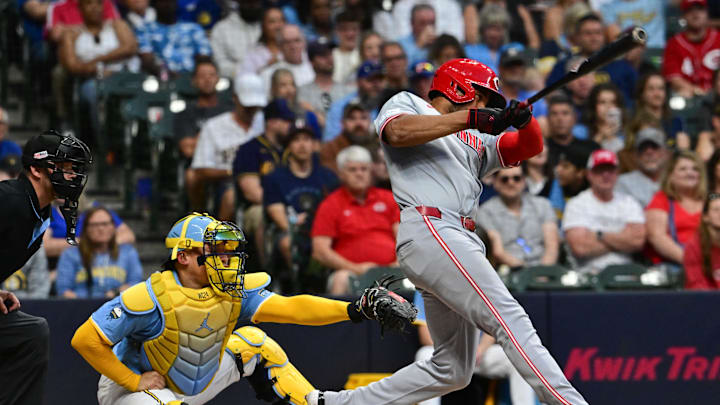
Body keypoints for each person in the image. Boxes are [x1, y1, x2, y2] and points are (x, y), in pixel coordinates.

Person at [306, 58, 588, 405]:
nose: (486, 109)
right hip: (432, 225)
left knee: (452, 369)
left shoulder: (476, 139)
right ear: (459, 88)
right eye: (483, 99)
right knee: (509, 317)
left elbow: (527, 148)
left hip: (457, 237)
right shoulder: (409, 103)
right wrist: (471, 117)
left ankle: (335, 404)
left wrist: (525, 121)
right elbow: (397, 132)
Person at [70, 213, 396, 405]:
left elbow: (292, 307)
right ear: (183, 256)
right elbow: (85, 339)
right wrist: (133, 380)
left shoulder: (232, 291)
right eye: (214, 250)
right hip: (135, 392)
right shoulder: (148, 297)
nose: (224, 259)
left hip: (191, 384)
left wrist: (355, 309)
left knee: (255, 342)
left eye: (227, 250)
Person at [0, 131, 91, 405]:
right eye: (63, 168)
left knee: (31, 332)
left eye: (74, 169)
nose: (72, 176)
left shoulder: (41, 214)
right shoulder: (9, 199)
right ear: (35, 170)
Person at [412, 291, 536, 405]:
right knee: (424, 355)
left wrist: (479, 349)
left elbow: (493, 328)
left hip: (477, 354)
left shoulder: (478, 279)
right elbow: (425, 336)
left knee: (519, 356)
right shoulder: (426, 284)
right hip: (445, 354)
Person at [311, 146, 400, 294]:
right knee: (341, 279)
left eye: (364, 169)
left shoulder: (388, 198)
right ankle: (338, 318)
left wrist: (397, 264)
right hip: (352, 272)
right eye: (352, 170)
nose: (359, 174)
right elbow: (320, 251)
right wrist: (355, 268)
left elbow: (403, 237)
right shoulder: (330, 204)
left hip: (393, 270)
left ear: (371, 172)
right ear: (341, 174)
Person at [58, 0, 138, 144]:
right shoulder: (72, 33)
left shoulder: (117, 25)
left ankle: (137, 140)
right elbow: (72, 65)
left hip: (122, 77)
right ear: (80, 8)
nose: (94, 8)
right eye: (89, 4)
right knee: (93, 92)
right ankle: (103, 143)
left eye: (98, 3)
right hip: (91, 80)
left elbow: (130, 47)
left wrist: (97, 60)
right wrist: (98, 69)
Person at [188, 73, 265, 220]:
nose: (251, 110)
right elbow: (201, 169)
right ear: (235, 98)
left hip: (263, 180)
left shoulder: (266, 124)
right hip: (227, 183)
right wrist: (237, 172)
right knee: (230, 197)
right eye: (247, 105)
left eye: (255, 106)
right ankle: (219, 240)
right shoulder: (214, 126)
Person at [263, 126, 339, 269]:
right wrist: (296, 225)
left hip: (325, 229)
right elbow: (277, 214)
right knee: (288, 243)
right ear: (289, 146)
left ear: (315, 145)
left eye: (307, 139)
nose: (302, 145)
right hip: (293, 230)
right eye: (296, 140)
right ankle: (298, 285)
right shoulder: (275, 178)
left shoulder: (328, 177)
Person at [562, 149, 646, 275]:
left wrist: (599, 235)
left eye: (610, 170)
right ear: (589, 174)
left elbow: (637, 241)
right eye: (600, 170)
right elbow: (580, 248)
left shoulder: (629, 202)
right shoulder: (576, 204)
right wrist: (622, 238)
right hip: (588, 274)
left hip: (627, 273)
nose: (606, 175)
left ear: (617, 173)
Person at [233, 99, 294, 264]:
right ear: (272, 122)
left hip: (295, 202)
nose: (291, 126)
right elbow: (251, 192)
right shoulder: (249, 149)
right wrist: (280, 206)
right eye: (287, 121)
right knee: (261, 215)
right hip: (259, 205)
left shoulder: (295, 148)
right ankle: (267, 271)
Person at [477, 166, 559, 269]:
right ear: (495, 183)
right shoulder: (485, 211)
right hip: (509, 271)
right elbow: (498, 252)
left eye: (516, 178)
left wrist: (544, 272)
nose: (511, 183)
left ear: (524, 181)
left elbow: (552, 245)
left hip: (545, 269)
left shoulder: (543, 205)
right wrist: (527, 274)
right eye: (504, 179)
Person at [56, 206, 144, 299]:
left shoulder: (128, 252)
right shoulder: (70, 254)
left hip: (118, 306)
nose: (101, 228)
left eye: (105, 224)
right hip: (80, 307)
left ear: (114, 227)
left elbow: (136, 284)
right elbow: (63, 291)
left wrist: (116, 293)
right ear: (86, 228)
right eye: (95, 225)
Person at [645, 150, 706, 267]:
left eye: (695, 169)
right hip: (674, 265)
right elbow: (657, 237)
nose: (690, 173)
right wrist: (692, 262)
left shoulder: (709, 201)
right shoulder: (661, 199)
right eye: (683, 169)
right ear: (670, 176)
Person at [173, 57, 231, 168]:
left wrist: (202, 140)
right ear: (194, 81)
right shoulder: (185, 113)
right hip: (200, 167)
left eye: (211, 75)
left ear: (218, 79)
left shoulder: (229, 110)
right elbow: (188, 151)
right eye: (202, 76)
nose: (207, 80)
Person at [662, 0, 720, 98]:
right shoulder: (674, 44)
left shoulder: (718, 39)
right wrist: (698, 92)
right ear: (683, 15)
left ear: (707, 13)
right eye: (690, 10)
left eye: (700, 9)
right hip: (689, 98)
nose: (695, 13)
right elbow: (674, 78)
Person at [137, 0, 211, 75]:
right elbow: (147, 60)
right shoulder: (144, 30)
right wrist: (165, 74)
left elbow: (204, 58)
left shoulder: (193, 28)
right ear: (154, 4)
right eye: (163, 1)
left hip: (193, 79)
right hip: (159, 79)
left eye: (171, 1)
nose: (168, 4)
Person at [323, 61, 387, 141]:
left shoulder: (389, 104)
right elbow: (331, 139)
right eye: (370, 80)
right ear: (358, 82)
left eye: (380, 80)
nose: (376, 85)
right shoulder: (340, 107)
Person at [299, 40, 355, 117]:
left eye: (330, 53)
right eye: (322, 55)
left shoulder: (348, 90)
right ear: (312, 61)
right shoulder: (302, 92)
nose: (329, 58)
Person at [615, 127, 668, 207]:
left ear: (664, 153)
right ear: (635, 155)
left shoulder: (675, 181)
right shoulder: (623, 183)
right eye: (643, 148)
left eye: (654, 147)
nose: (649, 152)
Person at [208, 0, 263, 77]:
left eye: (255, 3)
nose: (252, 7)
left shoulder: (266, 26)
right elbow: (219, 63)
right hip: (233, 79)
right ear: (240, 3)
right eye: (249, 3)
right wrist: (247, 70)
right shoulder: (221, 29)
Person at [319, 103, 374, 173]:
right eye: (352, 118)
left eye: (363, 118)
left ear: (370, 122)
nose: (358, 123)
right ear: (342, 123)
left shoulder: (380, 147)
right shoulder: (329, 149)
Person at [260, 24, 316, 93]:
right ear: (279, 46)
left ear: (304, 43)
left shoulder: (315, 67)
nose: (293, 46)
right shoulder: (269, 74)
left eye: (297, 40)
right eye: (287, 42)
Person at [270, 68, 323, 137]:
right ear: (274, 89)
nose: (289, 90)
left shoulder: (306, 114)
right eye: (283, 85)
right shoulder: (269, 115)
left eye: (292, 84)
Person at [684, 193, 720, 289]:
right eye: (716, 210)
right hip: (707, 300)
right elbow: (697, 285)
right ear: (705, 217)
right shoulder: (694, 246)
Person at [235, 7, 285, 76]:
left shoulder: (294, 46)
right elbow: (246, 79)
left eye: (281, 21)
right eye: (272, 22)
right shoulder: (254, 52)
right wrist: (267, 67)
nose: (277, 26)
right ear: (263, 26)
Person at [464, 3, 511, 74]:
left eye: (498, 29)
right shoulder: (469, 51)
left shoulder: (513, 50)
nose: (494, 34)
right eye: (490, 28)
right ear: (482, 29)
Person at [582, 83, 626, 153]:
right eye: (602, 102)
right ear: (594, 106)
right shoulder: (581, 131)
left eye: (613, 102)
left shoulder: (626, 133)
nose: (608, 106)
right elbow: (580, 157)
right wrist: (600, 136)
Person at [332, 11, 362, 85]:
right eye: (344, 29)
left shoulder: (364, 55)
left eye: (354, 29)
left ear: (359, 31)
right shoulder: (330, 56)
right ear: (337, 31)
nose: (350, 34)